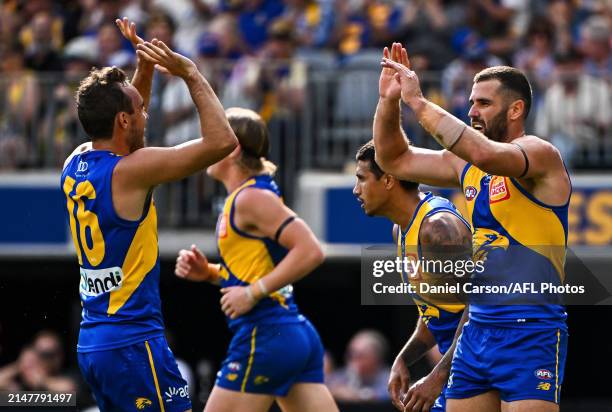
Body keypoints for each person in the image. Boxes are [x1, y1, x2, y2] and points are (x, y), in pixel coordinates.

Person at [374, 42, 570, 411]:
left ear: (516, 109)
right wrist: (389, 102)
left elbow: (487, 154)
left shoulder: (540, 154)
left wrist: (419, 102)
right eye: (471, 102)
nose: (472, 111)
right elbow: (393, 159)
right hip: (476, 329)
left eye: (484, 103)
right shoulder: (465, 165)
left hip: (530, 330)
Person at [60, 18, 237, 411]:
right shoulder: (133, 171)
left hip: (94, 343)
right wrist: (190, 74)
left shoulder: (76, 162)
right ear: (123, 119)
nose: (146, 114)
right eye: (140, 110)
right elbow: (223, 141)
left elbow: (127, 129)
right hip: (133, 344)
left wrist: (146, 67)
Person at [174, 107, 338, 412]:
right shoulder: (245, 197)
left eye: (214, 136)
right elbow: (256, 268)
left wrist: (252, 293)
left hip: (265, 334)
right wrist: (209, 272)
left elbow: (311, 250)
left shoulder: (251, 198)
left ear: (233, 148)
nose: (206, 143)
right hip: (289, 332)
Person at [352, 141, 471, 411]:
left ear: (389, 180)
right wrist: (404, 359)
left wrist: (438, 376)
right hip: (463, 364)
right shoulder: (401, 230)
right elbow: (437, 310)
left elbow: (480, 306)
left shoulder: (438, 230)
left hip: (485, 361)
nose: (356, 190)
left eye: (362, 178)